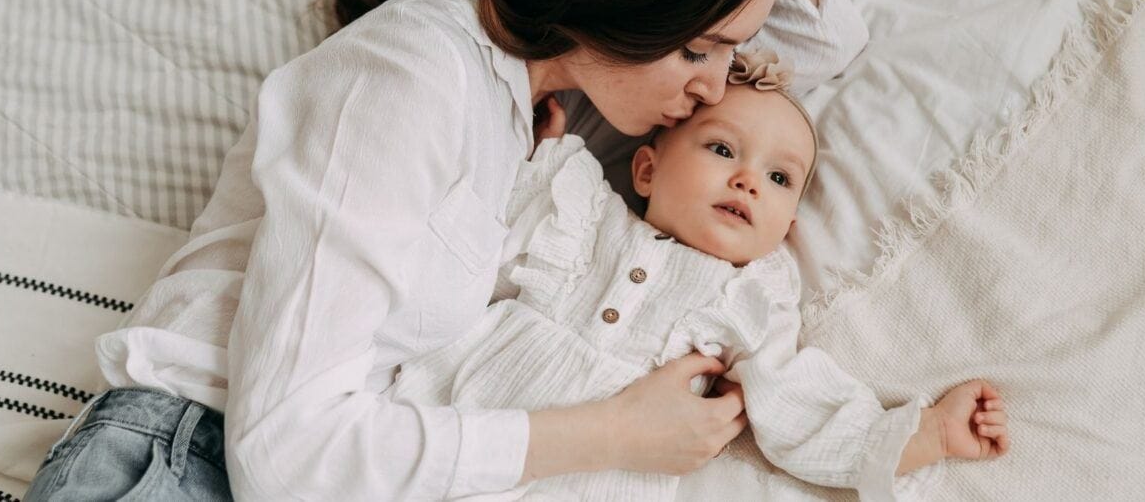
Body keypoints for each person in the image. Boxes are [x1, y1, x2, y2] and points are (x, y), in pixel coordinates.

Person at [25, 0, 871, 501]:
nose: (716, 90)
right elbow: (285, 454)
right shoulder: (410, 77)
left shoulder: (557, 111)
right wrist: (611, 434)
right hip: (185, 464)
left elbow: (825, 36)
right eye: (697, 50)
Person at [387, 51, 1011, 501]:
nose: (747, 180)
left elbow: (805, 410)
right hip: (458, 409)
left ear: (789, 222)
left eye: (779, 178)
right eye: (721, 149)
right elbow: (481, 222)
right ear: (647, 171)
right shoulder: (580, 204)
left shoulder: (751, 299)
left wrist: (929, 434)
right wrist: (530, 147)